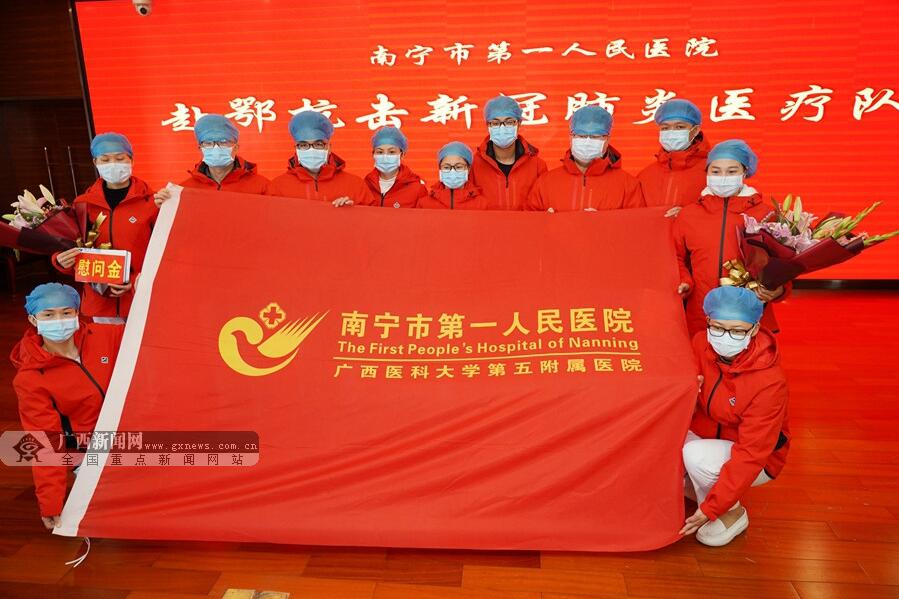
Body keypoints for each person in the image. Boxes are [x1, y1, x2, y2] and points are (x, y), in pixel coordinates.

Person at [680, 286, 790, 547]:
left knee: (695, 455)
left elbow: (752, 453)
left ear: (754, 328)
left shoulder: (769, 382)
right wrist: (688, 390)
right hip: (707, 434)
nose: (725, 337)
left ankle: (732, 511)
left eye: (738, 331)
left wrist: (712, 509)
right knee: (666, 439)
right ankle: (704, 490)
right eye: (717, 327)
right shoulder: (700, 343)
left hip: (755, 457)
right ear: (708, 321)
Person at [11, 283, 124, 530]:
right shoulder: (31, 378)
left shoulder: (105, 336)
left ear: (76, 313)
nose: (59, 320)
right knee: (115, 516)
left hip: (129, 434)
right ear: (33, 319)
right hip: (87, 450)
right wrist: (50, 503)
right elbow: (45, 440)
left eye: (66, 312)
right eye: (48, 315)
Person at [673, 139, 787, 336]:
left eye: (732, 171)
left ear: (745, 172)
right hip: (699, 311)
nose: (723, 177)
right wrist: (685, 281)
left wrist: (780, 289)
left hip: (749, 312)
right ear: (707, 173)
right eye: (716, 171)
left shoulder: (766, 214)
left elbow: (783, 262)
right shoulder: (688, 215)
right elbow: (676, 256)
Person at [52, 132, 158, 323]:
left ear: (131, 160)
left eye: (120, 158)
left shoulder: (152, 202)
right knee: (106, 343)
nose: (113, 164)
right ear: (95, 162)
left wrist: (136, 280)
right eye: (105, 159)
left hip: (141, 295)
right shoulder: (83, 204)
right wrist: (60, 260)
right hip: (100, 302)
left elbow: (164, 251)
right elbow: (70, 244)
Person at [527, 105, 644, 211]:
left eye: (595, 136)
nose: (587, 142)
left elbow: (638, 224)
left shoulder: (627, 185)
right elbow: (528, 222)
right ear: (571, 137)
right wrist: (545, 222)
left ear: (607, 139)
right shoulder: (546, 183)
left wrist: (606, 223)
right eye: (581, 135)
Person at [267, 111, 375, 206]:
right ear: (296, 148)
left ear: (328, 147)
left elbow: (373, 218)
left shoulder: (355, 185)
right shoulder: (278, 188)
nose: (311, 150)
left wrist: (353, 212)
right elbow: (269, 220)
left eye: (318, 144)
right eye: (304, 145)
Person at [471, 95, 547, 210]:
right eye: (495, 123)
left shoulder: (537, 166)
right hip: (485, 223)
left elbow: (543, 205)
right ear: (488, 125)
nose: (502, 128)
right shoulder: (474, 166)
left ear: (519, 123)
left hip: (526, 222)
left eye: (509, 122)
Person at [637, 99, 711, 217]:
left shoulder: (713, 172)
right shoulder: (645, 176)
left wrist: (691, 215)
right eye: (665, 128)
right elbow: (634, 218)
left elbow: (724, 214)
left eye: (680, 127)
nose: (671, 133)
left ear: (695, 130)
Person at [178, 114, 269, 193]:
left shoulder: (262, 187)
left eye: (223, 142)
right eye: (208, 143)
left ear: (235, 147)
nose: (216, 148)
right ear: (200, 148)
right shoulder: (185, 191)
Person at [362, 126, 427, 208]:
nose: (385, 156)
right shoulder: (364, 186)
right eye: (380, 152)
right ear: (373, 154)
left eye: (392, 152)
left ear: (402, 154)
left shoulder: (417, 189)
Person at [417, 142, 487, 210]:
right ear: (440, 169)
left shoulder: (481, 205)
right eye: (446, 167)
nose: (452, 171)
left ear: (468, 169)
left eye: (458, 167)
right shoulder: (424, 204)